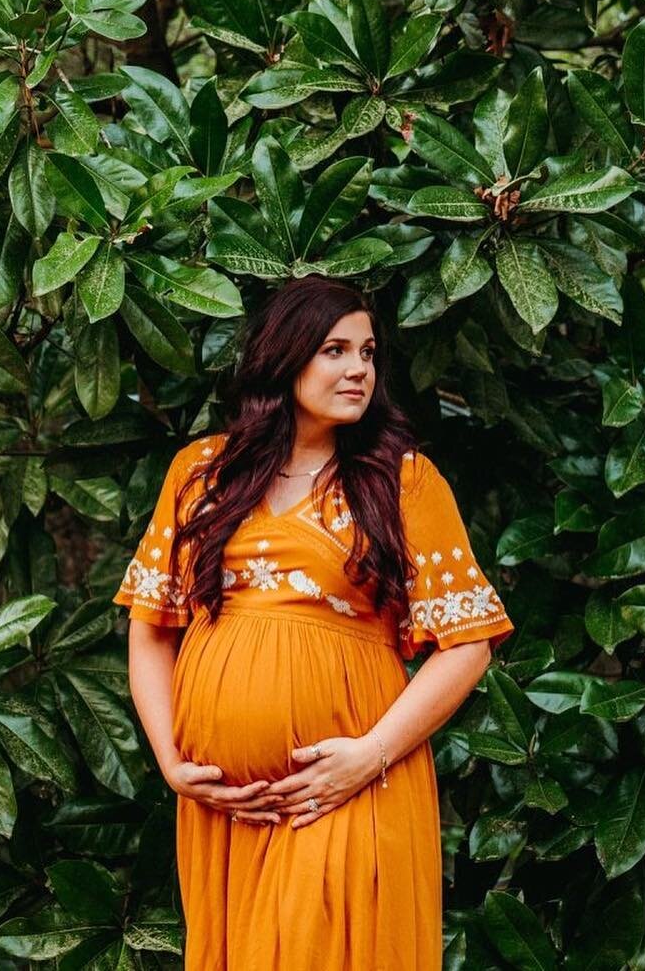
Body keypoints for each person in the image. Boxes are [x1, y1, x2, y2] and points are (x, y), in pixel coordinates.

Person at [112, 275, 515, 970]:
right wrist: (172, 765)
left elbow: (469, 645)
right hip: (225, 809)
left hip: (350, 788)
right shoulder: (201, 473)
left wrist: (370, 755)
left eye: (367, 353)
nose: (359, 368)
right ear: (285, 356)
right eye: (335, 350)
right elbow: (152, 626)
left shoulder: (402, 481)